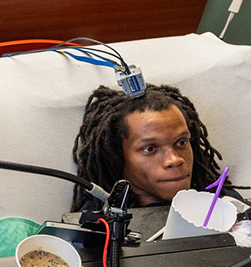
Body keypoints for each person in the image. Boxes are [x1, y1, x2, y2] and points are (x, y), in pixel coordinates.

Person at [71, 84, 237, 211]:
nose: (174, 160)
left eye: (181, 142)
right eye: (150, 148)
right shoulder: (94, 228)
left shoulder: (226, 207)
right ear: (117, 156)